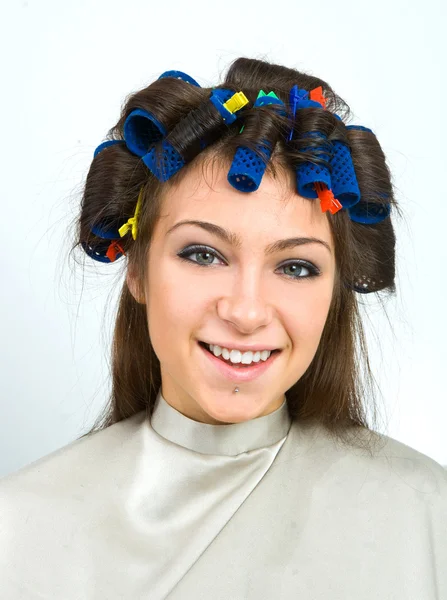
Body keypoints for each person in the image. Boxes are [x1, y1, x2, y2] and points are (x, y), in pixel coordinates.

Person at [0, 57, 446, 599]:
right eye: (204, 254)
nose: (246, 311)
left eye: (296, 267)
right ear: (137, 269)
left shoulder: (424, 514)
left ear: (334, 291)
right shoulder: (19, 526)